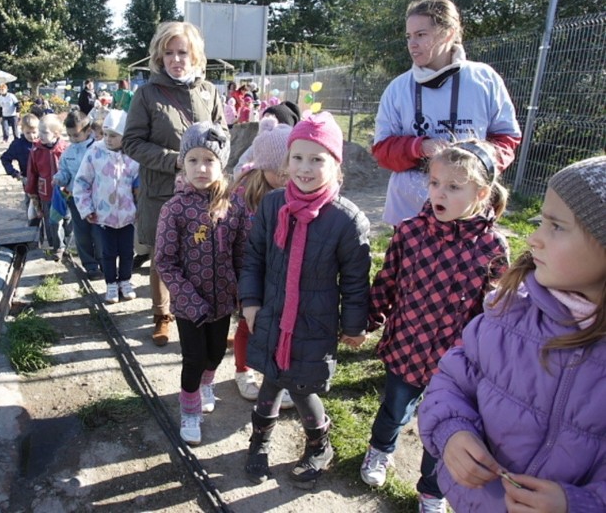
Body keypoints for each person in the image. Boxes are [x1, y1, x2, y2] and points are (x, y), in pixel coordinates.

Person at [418, 155, 606, 513]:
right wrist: (451, 431)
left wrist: (579, 504)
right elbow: (453, 380)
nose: (534, 239)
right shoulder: (509, 311)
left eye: (556, 226)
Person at [359, 140, 511, 512]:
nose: (440, 193)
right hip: (408, 344)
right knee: (394, 408)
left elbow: (496, 313)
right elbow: (387, 280)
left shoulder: (492, 246)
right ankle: (379, 450)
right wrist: (368, 318)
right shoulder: (410, 232)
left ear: (482, 193)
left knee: (445, 426)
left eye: (454, 187)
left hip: (456, 362)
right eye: (435, 182)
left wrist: (490, 360)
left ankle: (432, 488)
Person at [239, 113, 371, 489]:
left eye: (317, 159)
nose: (305, 168)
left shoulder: (348, 221)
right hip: (273, 314)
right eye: (297, 158)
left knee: (303, 389)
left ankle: (318, 445)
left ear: (335, 163)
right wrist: (250, 302)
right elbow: (254, 257)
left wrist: (354, 326)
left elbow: (356, 282)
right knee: (270, 383)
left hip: (314, 323)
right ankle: (259, 442)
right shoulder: (273, 205)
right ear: (286, 161)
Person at [373, 0, 521, 226]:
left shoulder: (483, 79)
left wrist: (475, 161)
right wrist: (420, 147)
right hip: (409, 209)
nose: (412, 44)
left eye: (421, 35)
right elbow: (381, 151)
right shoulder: (398, 88)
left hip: (467, 208)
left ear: (448, 33)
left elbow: (507, 139)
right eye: (409, 36)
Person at [123, 21, 227, 347]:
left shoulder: (208, 91)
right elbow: (132, 143)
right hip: (162, 192)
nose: (176, 59)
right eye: (169, 53)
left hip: (204, 191)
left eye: (182, 52)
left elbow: (223, 134)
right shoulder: (146, 94)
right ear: (159, 55)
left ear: (194, 54)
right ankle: (162, 315)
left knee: (206, 250)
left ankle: (208, 313)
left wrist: (212, 162)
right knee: (162, 257)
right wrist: (175, 160)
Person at [154, 122, 249, 445]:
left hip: (223, 301)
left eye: (209, 160)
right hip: (189, 305)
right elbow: (164, 261)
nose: (201, 168)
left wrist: (241, 293)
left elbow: (241, 253)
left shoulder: (233, 206)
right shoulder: (174, 209)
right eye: (193, 160)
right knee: (193, 359)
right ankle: (190, 409)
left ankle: (208, 383)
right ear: (183, 163)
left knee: (213, 355)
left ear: (221, 164)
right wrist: (190, 301)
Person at [228, 116, 294, 410]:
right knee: (248, 324)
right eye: (278, 171)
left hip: (283, 274)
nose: (285, 177)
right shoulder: (245, 192)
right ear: (263, 165)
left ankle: (278, 375)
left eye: (287, 169)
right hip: (250, 273)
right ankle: (243, 371)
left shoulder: (296, 192)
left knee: (281, 325)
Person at [73, 110, 140, 303]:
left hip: (128, 216)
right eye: (106, 134)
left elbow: (138, 185)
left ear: (124, 137)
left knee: (127, 252)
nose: (108, 139)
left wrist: (138, 210)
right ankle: (111, 283)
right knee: (108, 253)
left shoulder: (132, 156)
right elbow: (82, 182)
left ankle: (125, 281)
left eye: (114, 136)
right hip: (103, 215)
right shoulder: (95, 152)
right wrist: (86, 209)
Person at [55, 111, 103, 280]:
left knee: (99, 232)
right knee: (82, 233)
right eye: (69, 136)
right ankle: (90, 266)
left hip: (98, 199)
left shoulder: (99, 148)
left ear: (87, 130)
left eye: (76, 135)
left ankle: (104, 262)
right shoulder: (68, 152)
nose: (73, 139)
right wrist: (59, 179)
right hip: (76, 199)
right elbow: (64, 172)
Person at [26, 114, 70, 260]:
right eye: (40, 131)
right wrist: (32, 191)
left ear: (56, 133)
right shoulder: (36, 151)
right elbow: (32, 172)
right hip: (47, 193)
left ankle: (66, 245)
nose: (40, 135)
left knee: (68, 220)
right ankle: (58, 247)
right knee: (53, 221)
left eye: (45, 132)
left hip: (66, 192)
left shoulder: (65, 149)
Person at [232, 101, 301, 178]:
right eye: (263, 121)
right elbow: (238, 169)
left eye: (269, 122)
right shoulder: (258, 145)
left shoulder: (294, 150)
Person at [0, 113, 36, 182]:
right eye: (28, 133)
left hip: (44, 179)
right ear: (22, 130)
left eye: (34, 132)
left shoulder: (43, 143)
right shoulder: (18, 145)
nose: (31, 136)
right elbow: (5, 158)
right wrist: (14, 173)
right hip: (27, 179)